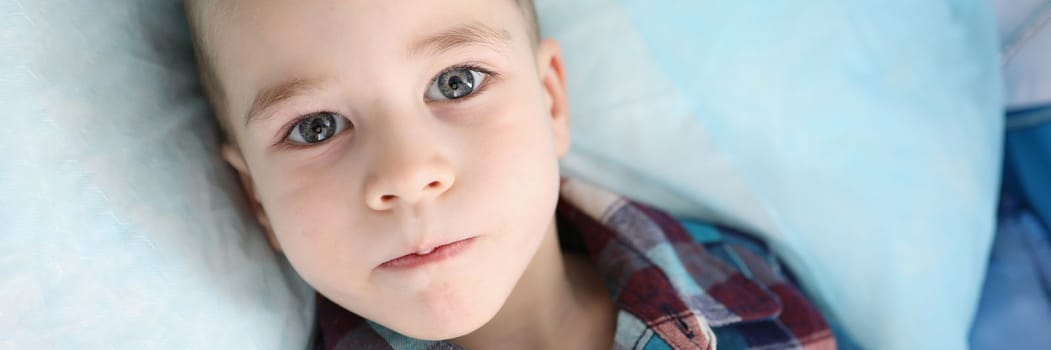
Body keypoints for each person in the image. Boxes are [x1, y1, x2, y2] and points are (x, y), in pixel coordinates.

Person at [184, 0, 835, 348]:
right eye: (316, 127)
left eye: (455, 82)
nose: (408, 174)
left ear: (550, 101)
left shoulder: (747, 287)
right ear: (256, 199)